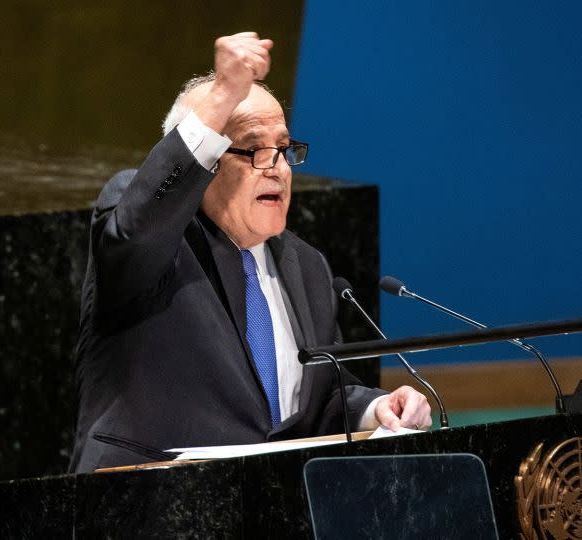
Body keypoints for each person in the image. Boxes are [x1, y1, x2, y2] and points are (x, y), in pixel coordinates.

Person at [69, 32, 431, 473]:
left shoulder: (308, 266)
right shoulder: (149, 231)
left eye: (282, 148)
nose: (277, 166)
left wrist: (376, 409)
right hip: (148, 502)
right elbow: (139, 227)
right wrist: (223, 94)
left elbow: (316, 401)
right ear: (204, 163)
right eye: (254, 149)